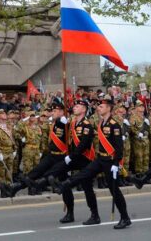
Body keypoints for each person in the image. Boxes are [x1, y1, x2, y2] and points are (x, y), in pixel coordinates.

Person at [49, 96, 131, 229]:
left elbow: (119, 147)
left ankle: (125, 218)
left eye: (102, 106)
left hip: (110, 162)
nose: (99, 108)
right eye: (98, 106)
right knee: (85, 174)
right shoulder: (100, 123)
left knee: (114, 190)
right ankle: (64, 186)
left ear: (109, 108)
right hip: (100, 159)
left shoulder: (114, 125)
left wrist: (116, 164)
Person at [7, 103, 68, 197]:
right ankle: (17, 186)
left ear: (61, 112)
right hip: (51, 154)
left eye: (55, 111)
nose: (52, 113)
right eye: (52, 111)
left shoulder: (64, 122)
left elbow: (65, 125)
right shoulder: (52, 123)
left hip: (61, 156)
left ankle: (34, 186)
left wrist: (62, 118)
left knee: (48, 176)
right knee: (35, 172)